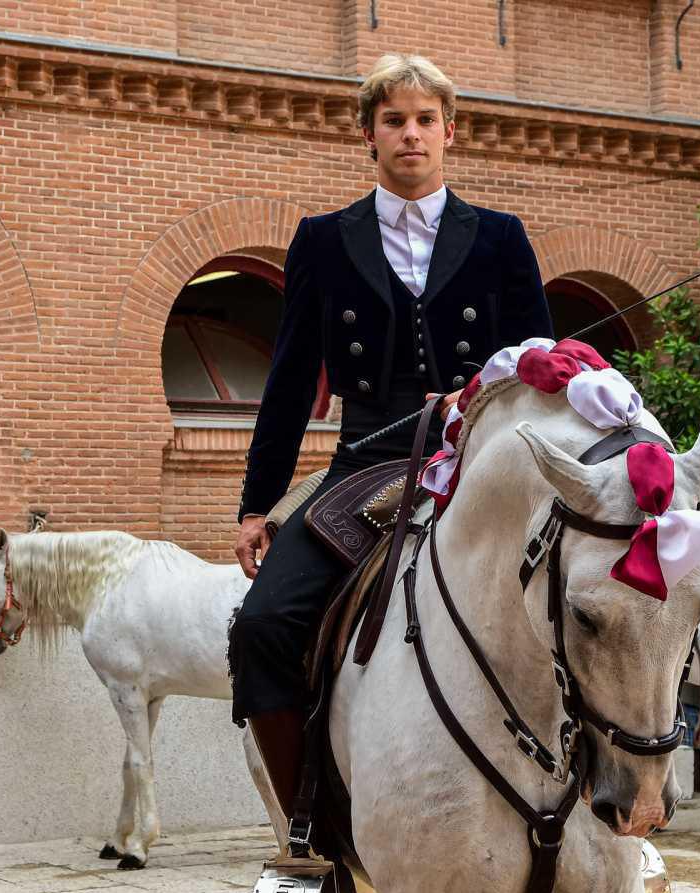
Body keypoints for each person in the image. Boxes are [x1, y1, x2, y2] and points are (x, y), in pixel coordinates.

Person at [229, 53, 553, 822]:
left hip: (482, 454)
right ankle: (311, 827)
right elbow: (287, 380)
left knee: (588, 600)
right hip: (367, 459)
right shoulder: (321, 240)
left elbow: (544, 366)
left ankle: (607, 801)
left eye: (425, 120)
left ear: (450, 133)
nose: (411, 134)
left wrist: (478, 396)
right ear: (368, 135)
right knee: (262, 629)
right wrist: (256, 505)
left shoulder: (502, 239)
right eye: (394, 120)